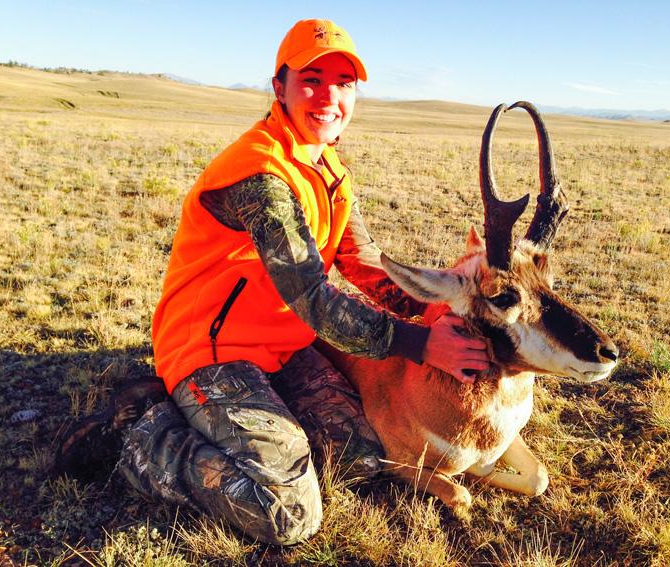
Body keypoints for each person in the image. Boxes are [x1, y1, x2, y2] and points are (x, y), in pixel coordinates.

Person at [55, 18, 491, 545]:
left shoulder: (326, 166)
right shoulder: (260, 175)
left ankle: (198, 414)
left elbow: (362, 258)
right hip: (214, 352)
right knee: (287, 513)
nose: (329, 96)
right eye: (312, 79)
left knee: (362, 458)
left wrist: (444, 305)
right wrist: (423, 343)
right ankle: (137, 437)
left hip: (281, 349)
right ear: (279, 87)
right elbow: (311, 296)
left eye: (344, 83)